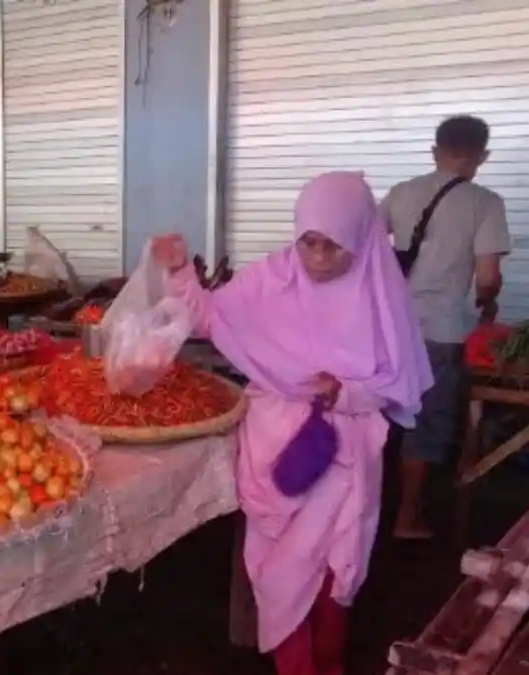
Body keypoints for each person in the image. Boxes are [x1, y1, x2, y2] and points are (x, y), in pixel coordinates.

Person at [151, 172, 432, 675]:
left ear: (363, 240)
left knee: (331, 572)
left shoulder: (381, 294)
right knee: (278, 572)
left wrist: (347, 392)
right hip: (275, 450)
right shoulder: (272, 279)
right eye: (310, 244)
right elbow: (212, 318)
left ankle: (327, 663)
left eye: (334, 247)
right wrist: (178, 273)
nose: (319, 259)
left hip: (344, 455)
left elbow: (399, 381)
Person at [380, 115, 510, 540]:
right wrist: (487, 306)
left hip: (387, 329)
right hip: (441, 332)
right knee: (425, 421)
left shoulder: (400, 193)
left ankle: (367, 508)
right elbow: (488, 278)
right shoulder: (485, 202)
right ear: (481, 156)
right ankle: (407, 517)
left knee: (378, 415)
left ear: (435, 150)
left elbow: (361, 245)